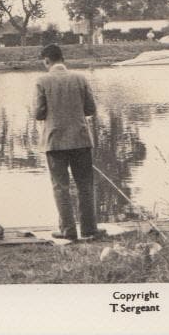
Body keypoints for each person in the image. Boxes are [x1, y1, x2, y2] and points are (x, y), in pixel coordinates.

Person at [35, 43, 104, 241]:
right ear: (63, 59)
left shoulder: (42, 80)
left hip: (55, 141)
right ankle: (90, 229)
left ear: (46, 60)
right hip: (81, 140)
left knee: (60, 187)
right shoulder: (80, 78)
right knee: (85, 185)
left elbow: (38, 113)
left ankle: (68, 230)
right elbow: (91, 109)